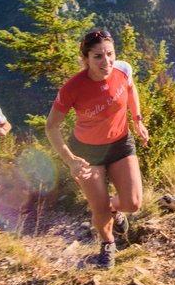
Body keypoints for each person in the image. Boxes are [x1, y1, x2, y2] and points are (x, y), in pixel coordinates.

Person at [45, 29, 150, 270]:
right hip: (86, 153)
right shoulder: (72, 88)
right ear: (85, 59)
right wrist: (70, 160)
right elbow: (51, 127)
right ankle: (107, 243)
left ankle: (113, 208)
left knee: (133, 203)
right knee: (98, 209)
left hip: (120, 144)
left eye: (110, 54)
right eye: (98, 56)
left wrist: (137, 119)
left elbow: (131, 89)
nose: (107, 61)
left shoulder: (123, 70)